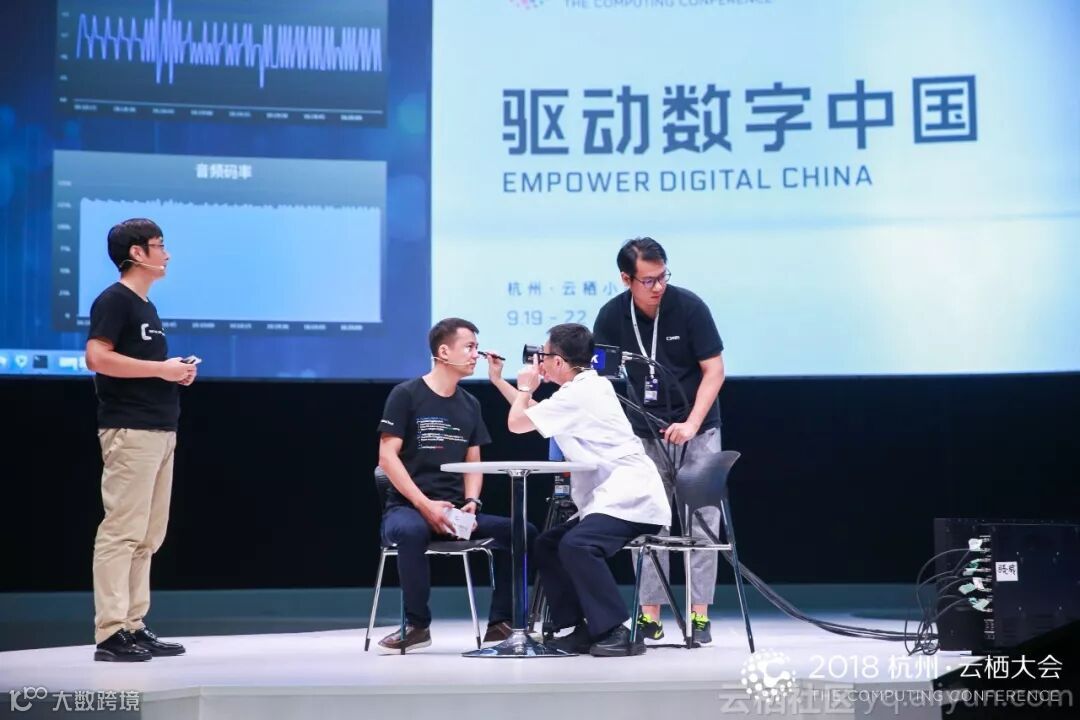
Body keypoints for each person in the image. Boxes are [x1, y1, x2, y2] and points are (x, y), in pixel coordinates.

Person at [493, 323, 670, 656]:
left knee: (578, 544)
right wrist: (500, 383)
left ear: (559, 361)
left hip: (631, 498)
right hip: (610, 498)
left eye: (544, 356)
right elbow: (532, 415)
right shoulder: (582, 389)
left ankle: (617, 630)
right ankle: (581, 627)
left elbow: (516, 423)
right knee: (548, 544)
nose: (540, 362)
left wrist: (526, 387)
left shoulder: (580, 393)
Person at [593, 237, 726, 644]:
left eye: (663, 276)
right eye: (648, 280)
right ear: (626, 279)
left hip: (696, 429)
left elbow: (714, 370)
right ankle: (650, 613)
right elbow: (601, 380)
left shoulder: (689, 307)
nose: (658, 286)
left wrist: (692, 422)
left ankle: (699, 614)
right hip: (642, 433)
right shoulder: (611, 316)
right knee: (647, 521)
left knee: (702, 522)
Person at [375, 318, 535, 653]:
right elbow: (387, 458)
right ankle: (417, 625)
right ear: (444, 352)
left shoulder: (470, 403)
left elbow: (473, 463)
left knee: (522, 530)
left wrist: (472, 503)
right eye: (470, 347)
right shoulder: (406, 395)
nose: (476, 354)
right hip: (408, 508)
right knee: (411, 531)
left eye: (477, 347)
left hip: (455, 513)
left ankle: (502, 622)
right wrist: (425, 505)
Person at [86, 218, 196, 662]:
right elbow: (97, 357)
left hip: (159, 428)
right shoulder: (115, 300)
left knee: (148, 534)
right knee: (122, 531)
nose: (166, 254)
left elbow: (141, 365)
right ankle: (110, 632)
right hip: (130, 429)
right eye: (159, 245)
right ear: (136, 253)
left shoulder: (146, 306)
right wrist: (160, 369)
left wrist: (175, 371)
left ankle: (133, 624)